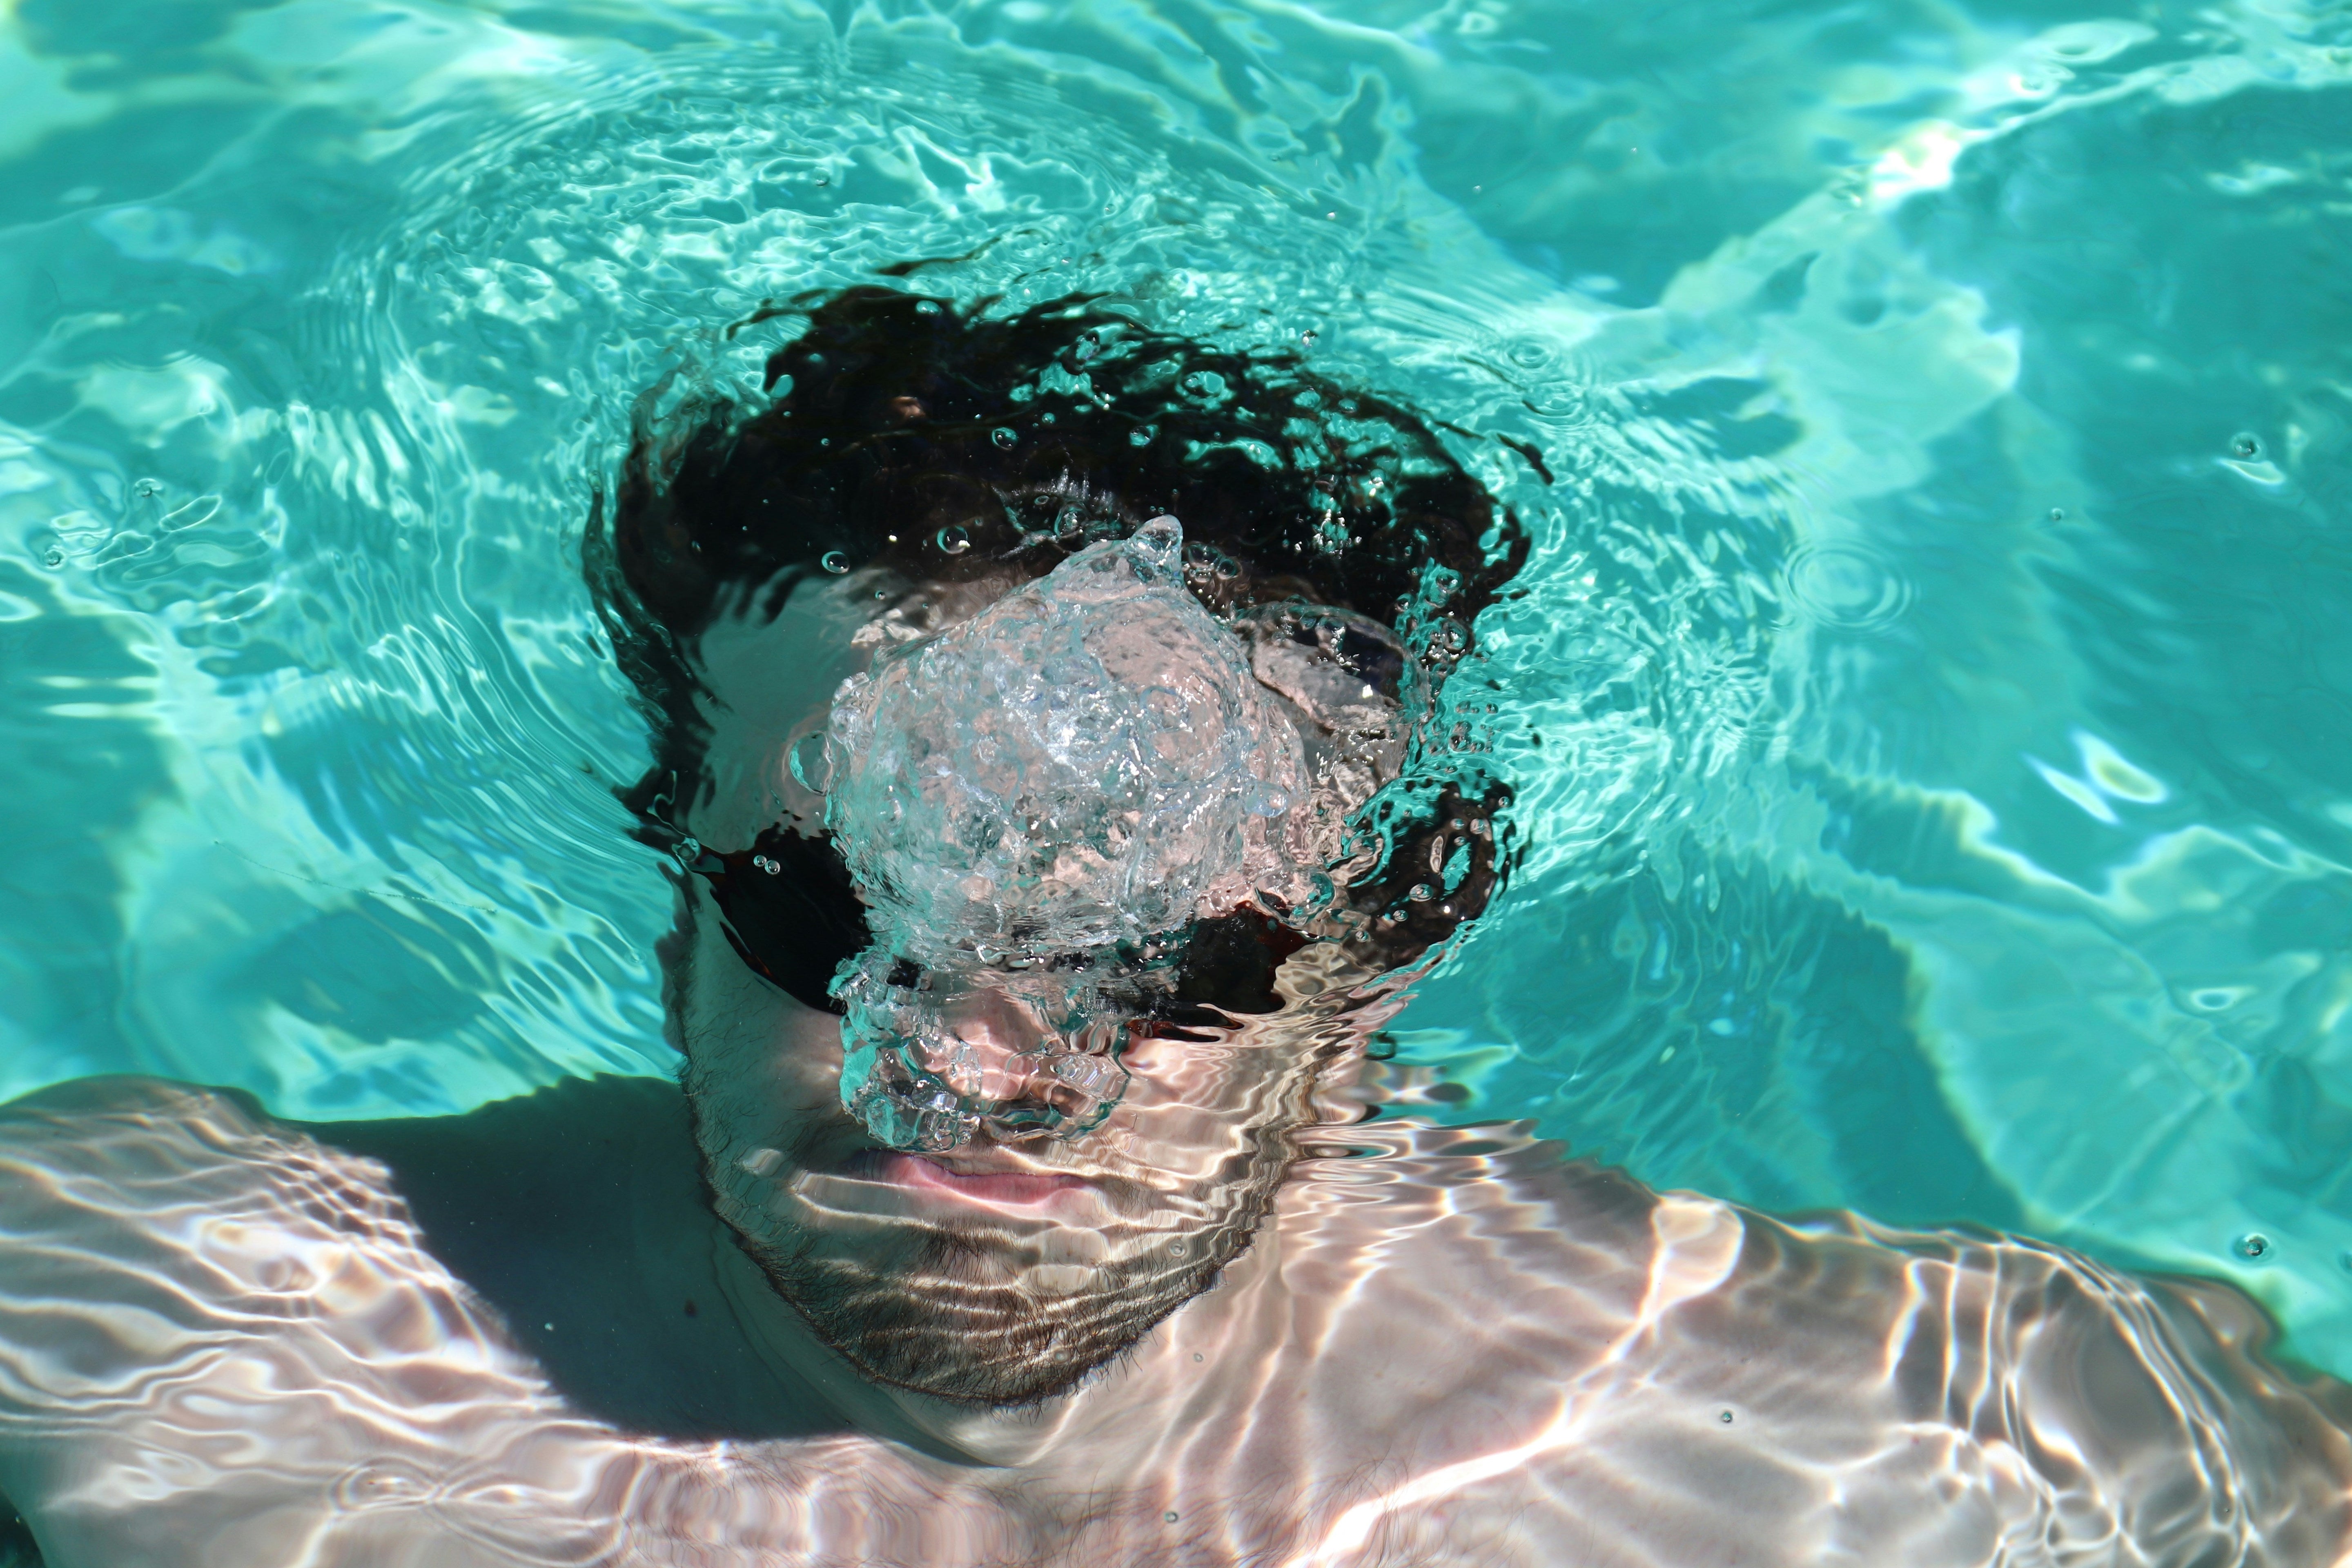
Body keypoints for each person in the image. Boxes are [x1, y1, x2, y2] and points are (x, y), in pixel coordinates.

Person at [0, 288, 2345, 1568]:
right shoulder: (166, 1331)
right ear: (671, 856)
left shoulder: (1986, 1446)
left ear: (1373, 962)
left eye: (1162, 967)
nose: (975, 1064)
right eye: (830, 911)